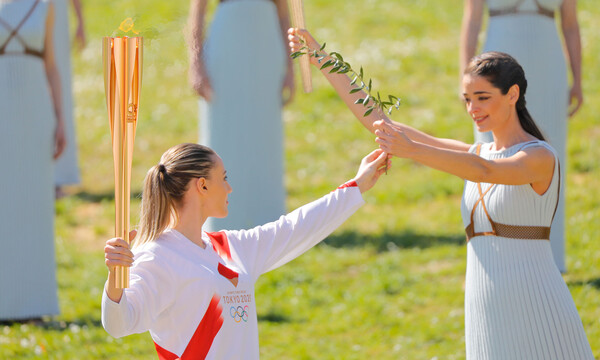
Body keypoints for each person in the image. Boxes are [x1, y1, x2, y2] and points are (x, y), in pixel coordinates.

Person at [288, 30, 593, 359]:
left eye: (482, 97)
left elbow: (485, 171)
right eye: (467, 99)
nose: (472, 108)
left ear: (512, 94)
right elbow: (380, 121)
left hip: (535, 299)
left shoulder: (539, 156)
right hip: (485, 303)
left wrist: (413, 149)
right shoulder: (475, 152)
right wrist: (320, 58)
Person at [101, 143, 389, 359]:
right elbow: (120, 323)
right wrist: (116, 277)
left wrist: (358, 186)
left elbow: (295, 228)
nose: (229, 188)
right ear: (202, 185)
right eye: (223, 178)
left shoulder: (230, 247)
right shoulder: (157, 256)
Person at [460, 0, 583, 272]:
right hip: (498, 60)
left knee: (549, 155)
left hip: (549, 64)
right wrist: (466, 82)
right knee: (492, 154)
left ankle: (550, 260)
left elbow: (571, 25)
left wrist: (577, 79)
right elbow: (472, 20)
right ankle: (494, 255)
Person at [186, 0, 295, 233]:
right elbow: (197, 12)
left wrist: (290, 67)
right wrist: (196, 64)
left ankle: (269, 221)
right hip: (226, 46)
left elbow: (285, 14)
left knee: (266, 135)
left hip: (266, 47)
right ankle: (219, 217)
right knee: (225, 132)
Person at [0, 0, 65, 321]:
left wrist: (60, 118)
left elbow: (51, 65)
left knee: (31, 207)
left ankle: (32, 303)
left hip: (34, 111)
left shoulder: (45, 4)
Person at [53, 0, 85, 198]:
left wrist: (80, 21)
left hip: (57, 15)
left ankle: (59, 176)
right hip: (23, 12)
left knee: (59, 84)